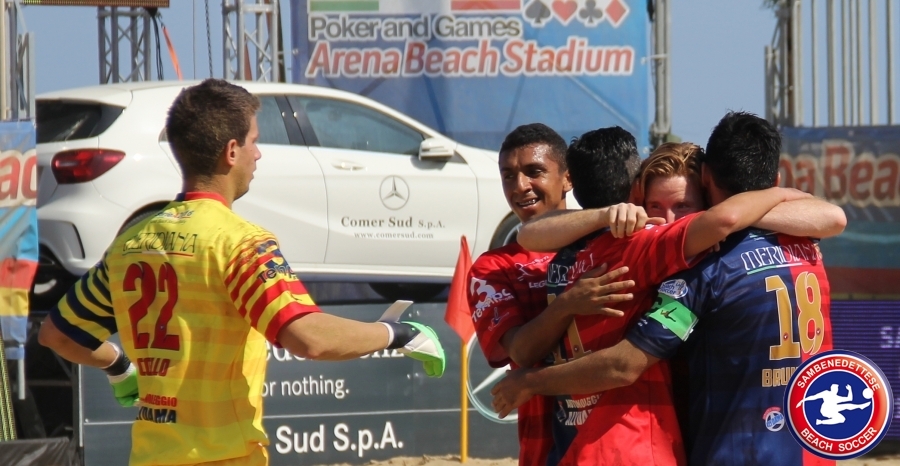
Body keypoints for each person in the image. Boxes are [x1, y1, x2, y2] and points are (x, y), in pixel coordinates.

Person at [37, 79, 446, 466]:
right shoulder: (241, 243)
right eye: (254, 141)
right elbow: (310, 338)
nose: (259, 154)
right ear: (231, 151)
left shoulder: (129, 243)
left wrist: (119, 367)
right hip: (224, 456)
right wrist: (397, 334)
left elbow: (57, 334)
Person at [493, 114, 842, 466]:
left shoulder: (702, 268)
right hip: (810, 448)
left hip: (722, 450)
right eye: (655, 208)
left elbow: (625, 364)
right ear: (636, 201)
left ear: (707, 187)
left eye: (684, 207)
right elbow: (834, 217)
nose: (670, 221)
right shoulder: (806, 248)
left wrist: (530, 381)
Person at [467, 123, 639, 466]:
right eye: (508, 176)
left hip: (627, 438)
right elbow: (521, 351)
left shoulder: (620, 241)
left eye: (534, 172)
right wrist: (567, 304)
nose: (520, 186)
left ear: (568, 178)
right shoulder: (491, 268)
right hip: (548, 452)